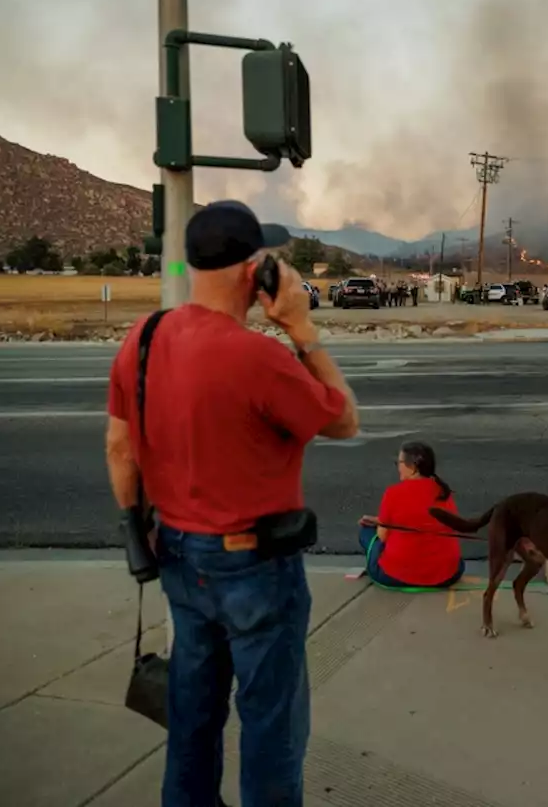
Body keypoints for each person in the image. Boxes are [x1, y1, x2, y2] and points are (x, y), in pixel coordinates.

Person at [104, 200, 360, 807]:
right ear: (255, 273)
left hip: (179, 557)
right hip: (255, 569)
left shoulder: (142, 338)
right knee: (271, 725)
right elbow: (345, 419)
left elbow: (119, 449)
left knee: (191, 719)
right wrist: (302, 328)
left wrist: (139, 526)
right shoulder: (260, 357)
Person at [359, 441, 466, 589]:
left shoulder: (393, 493)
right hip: (447, 574)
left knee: (366, 531)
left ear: (413, 467)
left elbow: (382, 536)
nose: (398, 466)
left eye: (400, 462)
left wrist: (378, 523)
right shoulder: (443, 492)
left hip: (398, 575)